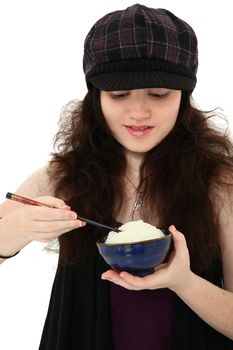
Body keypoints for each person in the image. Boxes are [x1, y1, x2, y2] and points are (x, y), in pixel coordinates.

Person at [0, 3, 233, 350]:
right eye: (119, 94)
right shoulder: (63, 175)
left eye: (158, 94)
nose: (138, 112)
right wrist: (20, 228)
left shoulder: (220, 183)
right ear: (95, 97)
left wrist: (183, 282)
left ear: (184, 97)